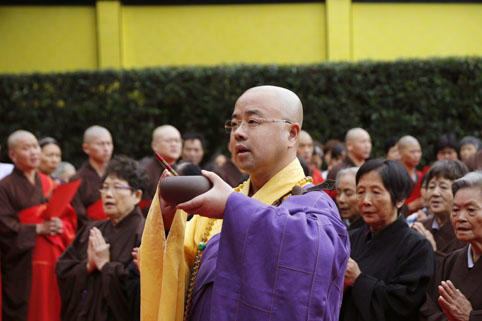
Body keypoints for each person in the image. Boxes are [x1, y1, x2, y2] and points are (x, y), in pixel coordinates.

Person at [140, 85, 350, 321]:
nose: (238, 133)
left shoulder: (314, 204)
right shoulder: (220, 203)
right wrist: (169, 226)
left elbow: (310, 258)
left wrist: (232, 207)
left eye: (253, 121)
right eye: (234, 123)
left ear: (292, 134)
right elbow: (179, 272)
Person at [340, 159, 435, 321]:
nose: (366, 201)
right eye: (360, 192)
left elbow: (405, 304)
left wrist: (358, 280)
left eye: (376, 192)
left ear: (400, 199)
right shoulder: (349, 237)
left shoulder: (417, 247)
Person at [56, 155, 146, 321]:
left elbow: (142, 289)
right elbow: (63, 269)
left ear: (137, 196)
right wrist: (87, 266)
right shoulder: (91, 229)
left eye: (117, 187)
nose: (108, 194)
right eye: (105, 187)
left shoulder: (145, 233)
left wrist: (106, 266)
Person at [0, 130, 76, 321]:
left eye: (35, 146)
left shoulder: (48, 182)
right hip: (20, 263)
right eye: (26, 148)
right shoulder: (5, 186)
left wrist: (60, 224)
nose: (34, 152)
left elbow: (67, 215)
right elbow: (4, 225)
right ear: (12, 155)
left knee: (51, 306)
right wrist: (37, 229)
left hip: (50, 258)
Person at [420, 171, 482, 321]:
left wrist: (470, 317)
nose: (460, 218)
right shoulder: (451, 261)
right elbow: (427, 306)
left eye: (471, 210)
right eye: (455, 210)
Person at [412, 160, 468, 259]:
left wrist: (432, 252)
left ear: (460, 191)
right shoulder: (421, 228)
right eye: (431, 186)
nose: (435, 193)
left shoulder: (468, 231)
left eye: (443, 187)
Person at [70, 126, 114, 229]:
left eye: (109, 143)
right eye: (100, 144)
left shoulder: (117, 174)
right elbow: (79, 216)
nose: (106, 148)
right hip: (91, 231)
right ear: (86, 148)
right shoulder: (77, 179)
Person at [143, 125, 182, 200]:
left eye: (177, 141)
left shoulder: (185, 168)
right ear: (154, 145)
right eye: (168, 140)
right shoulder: (145, 170)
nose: (174, 144)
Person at [398, 135, 424, 213]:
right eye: (412, 152)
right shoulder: (394, 174)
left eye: (418, 151)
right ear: (400, 153)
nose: (416, 155)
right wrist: (413, 205)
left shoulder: (420, 175)